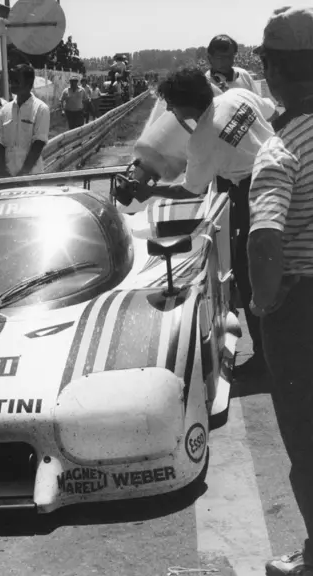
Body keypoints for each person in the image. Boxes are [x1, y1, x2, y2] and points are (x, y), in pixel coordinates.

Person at [246, 7, 313, 576]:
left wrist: (264, 300)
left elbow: (265, 237)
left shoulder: (281, 146)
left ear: (273, 69)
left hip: (308, 311)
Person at [127, 67, 274, 375]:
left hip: (254, 193)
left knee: (250, 273)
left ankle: (266, 357)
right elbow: (271, 112)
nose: (168, 110)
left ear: (184, 106)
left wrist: (150, 190)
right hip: (281, 173)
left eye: (170, 103)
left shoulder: (203, 138)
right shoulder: (238, 96)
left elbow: (188, 188)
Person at [0, 64, 51, 178]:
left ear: (29, 83)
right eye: (11, 80)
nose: (12, 84)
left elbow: (38, 144)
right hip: (7, 175)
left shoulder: (40, 109)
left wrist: (23, 173)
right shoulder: (5, 110)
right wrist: (2, 170)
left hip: (32, 175)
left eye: (16, 80)